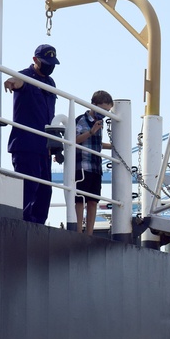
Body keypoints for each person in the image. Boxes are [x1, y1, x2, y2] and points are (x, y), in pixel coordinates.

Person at [4, 44, 60, 224]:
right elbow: (18, 81)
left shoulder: (51, 83)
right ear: (35, 60)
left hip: (44, 147)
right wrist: (12, 81)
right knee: (28, 186)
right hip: (26, 143)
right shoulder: (25, 76)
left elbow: (52, 117)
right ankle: (21, 222)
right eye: (46, 62)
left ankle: (37, 226)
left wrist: (56, 146)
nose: (50, 66)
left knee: (45, 190)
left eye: (52, 63)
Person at [74, 91, 114, 234]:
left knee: (93, 200)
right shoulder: (81, 120)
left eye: (107, 111)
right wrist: (92, 131)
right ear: (93, 105)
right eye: (102, 110)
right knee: (80, 199)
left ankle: (89, 232)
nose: (104, 113)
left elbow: (94, 143)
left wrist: (111, 146)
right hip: (83, 165)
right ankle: (79, 230)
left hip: (96, 167)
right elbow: (74, 139)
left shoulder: (99, 123)